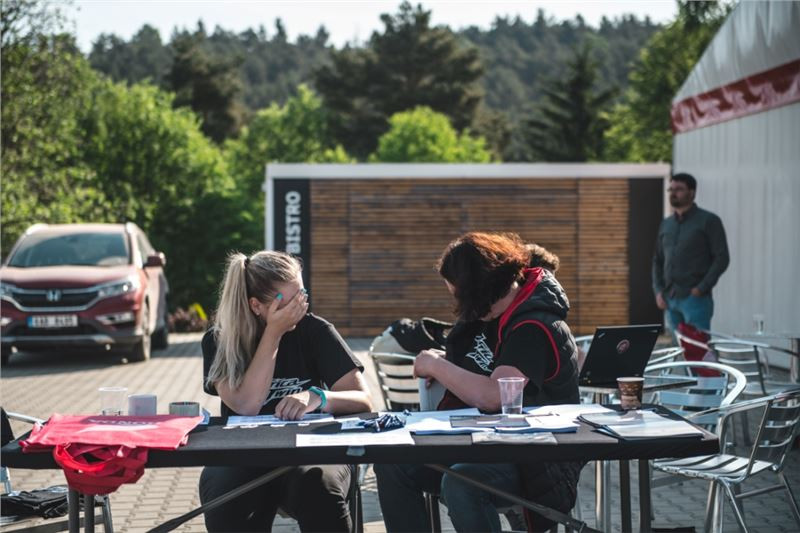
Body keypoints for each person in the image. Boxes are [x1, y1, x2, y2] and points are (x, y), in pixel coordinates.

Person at [375, 232, 582, 532]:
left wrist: (436, 366)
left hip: (535, 458)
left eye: (460, 295)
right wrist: (447, 362)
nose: (458, 303)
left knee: (462, 483)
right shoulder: (497, 313)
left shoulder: (534, 325)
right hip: (485, 442)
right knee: (392, 464)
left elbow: (493, 395)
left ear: (482, 289)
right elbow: (483, 363)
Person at [199, 250, 373, 532]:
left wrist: (318, 397)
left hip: (310, 453)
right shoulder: (221, 340)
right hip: (245, 453)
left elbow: (364, 401)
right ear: (256, 305)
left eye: (302, 295)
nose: (300, 307)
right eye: (289, 302)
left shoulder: (315, 330)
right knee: (225, 495)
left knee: (319, 488)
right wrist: (274, 333)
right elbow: (246, 405)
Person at [653, 173, 729, 332]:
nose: (673, 193)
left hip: (695, 300)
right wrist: (658, 290)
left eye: (679, 189)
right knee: (677, 346)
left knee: (697, 345)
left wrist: (701, 288)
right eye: (671, 189)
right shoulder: (666, 224)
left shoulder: (709, 221)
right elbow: (658, 260)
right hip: (670, 299)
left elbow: (722, 258)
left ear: (692, 193)